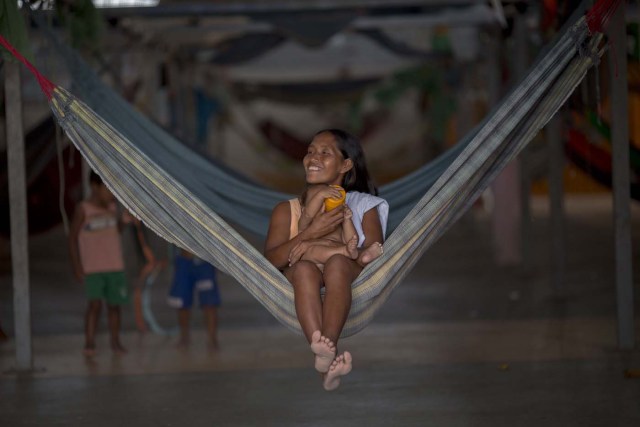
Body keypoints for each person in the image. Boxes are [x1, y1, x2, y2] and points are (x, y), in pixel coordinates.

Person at [265, 129, 388, 391]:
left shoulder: (362, 206)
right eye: (310, 151)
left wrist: (342, 248)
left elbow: (372, 253)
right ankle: (326, 354)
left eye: (324, 152)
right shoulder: (287, 211)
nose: (313, 158)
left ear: (345, 164)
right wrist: (309, 234)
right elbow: (270, 262)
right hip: (302, 275)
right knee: (304, 269)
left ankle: (325, 352)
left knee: (338, 263)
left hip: (342, 271)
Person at [69, 171, 129, 356]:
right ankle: (89, 342)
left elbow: (116, 230)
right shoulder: (84, 209)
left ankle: (115, 341)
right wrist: (77, 266)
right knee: (94, 306)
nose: (111, 193)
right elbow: (72, 238)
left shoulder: (113, 207)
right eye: (107, 188)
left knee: (114, 306)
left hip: (114, 266)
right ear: (95, 186)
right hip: (93, 267)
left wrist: (124, 221)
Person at [288, 184, 359, 269]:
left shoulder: (338, 223)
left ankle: (346, 252)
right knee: (313, 251)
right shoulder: (305, 222)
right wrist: (321, 195)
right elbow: (308, 214)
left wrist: (347, 220)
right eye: (315, 199)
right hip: (313, 264)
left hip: (336, 263)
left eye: (326, 199)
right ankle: (344, 251)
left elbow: (351, 240)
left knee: (342, 255)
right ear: (303, 209)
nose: (321, 202)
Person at [167, 248, 221, 349]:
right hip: (184, 260)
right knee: (181, 302)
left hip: (205, 260)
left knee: (209, 303)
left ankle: (212, 339)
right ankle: (184, 337)